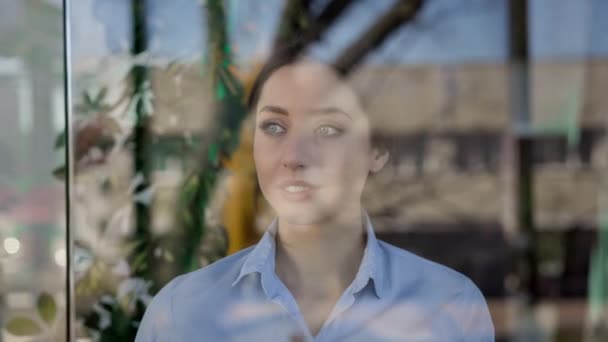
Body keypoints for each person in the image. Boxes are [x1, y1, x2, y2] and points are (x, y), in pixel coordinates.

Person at [135, 48, 494, 341]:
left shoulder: (451, 306)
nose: (294, 156)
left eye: (327, 128)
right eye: (273, 126)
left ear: (377, 151)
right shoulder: (179, 315)